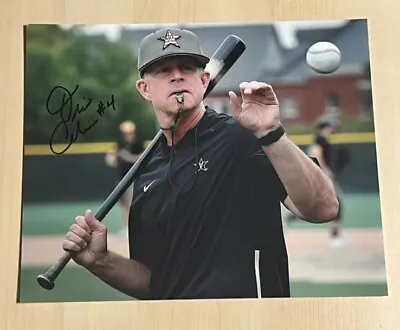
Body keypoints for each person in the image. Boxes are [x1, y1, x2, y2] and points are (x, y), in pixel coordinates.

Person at [62, 27, 339, 300]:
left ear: (204, 80)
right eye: (163, 70)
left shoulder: (242, 137)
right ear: (144, 89)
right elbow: (157, 282)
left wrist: (272, 133)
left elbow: (324, 208)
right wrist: (101, 261)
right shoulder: (147, 172)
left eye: (186, 67)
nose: (177, 76)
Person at [307, 115, 344, 247]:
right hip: (323, 176)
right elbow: (315, 153)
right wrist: (325, 172)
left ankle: (290, 218)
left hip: (325, 176)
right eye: (331, 126)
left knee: (316, 203)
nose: (333, 128)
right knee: (336, 203)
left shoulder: (325, 139)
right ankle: (335, 236)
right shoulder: (320, 139)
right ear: (326, 126)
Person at [105, 120, 144, 235]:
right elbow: (113, 159)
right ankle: (126, 227)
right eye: (126, 133)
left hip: (135, 178)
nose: (128, 135)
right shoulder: (120, 143)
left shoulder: (138, 143)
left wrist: (130, 158)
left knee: (132, 203)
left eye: (130, 132)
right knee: (124, 203)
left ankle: (133, 228)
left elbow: (139, 157)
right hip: (122, 178)